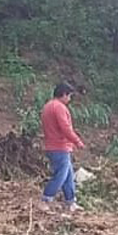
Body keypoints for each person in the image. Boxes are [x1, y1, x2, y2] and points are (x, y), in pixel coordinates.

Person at [40, 82, 85, 211]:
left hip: (52, 146)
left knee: (68, 175)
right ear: (64, 94)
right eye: (69, 96)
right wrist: (77, 141)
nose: (69, 99)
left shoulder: (48, 106)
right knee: (61, 175)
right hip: (59, 146)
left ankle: (70, 201)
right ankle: (46, 198)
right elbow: (65, 128)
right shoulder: (59, 107)